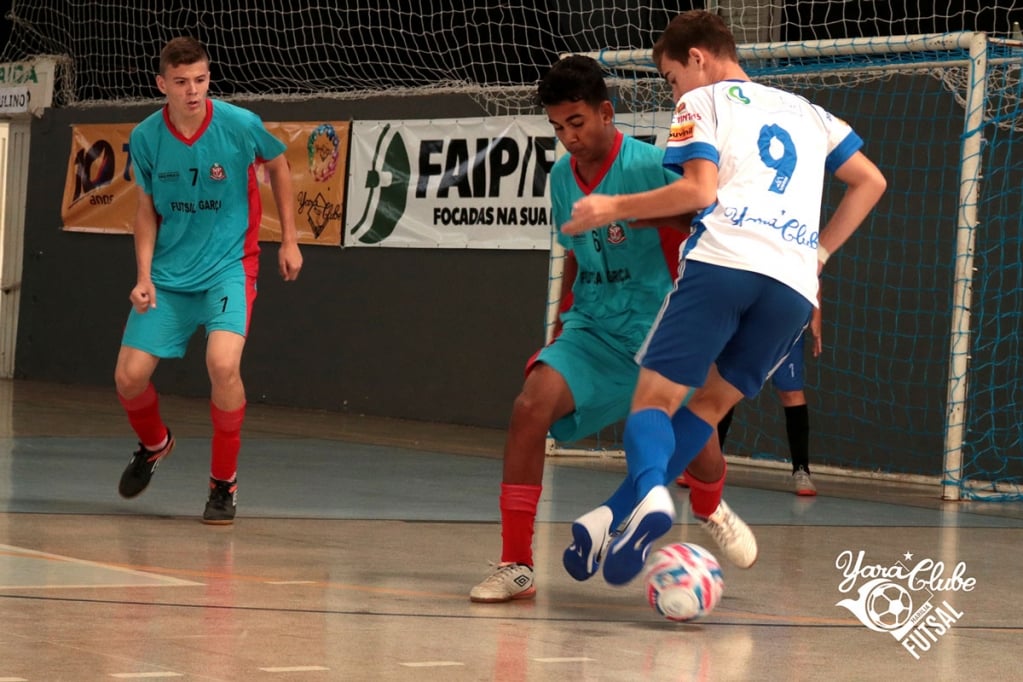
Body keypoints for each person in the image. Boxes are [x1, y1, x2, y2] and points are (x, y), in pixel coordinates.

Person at [562, 10, 886, 585]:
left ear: (697, 58)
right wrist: (820, 255)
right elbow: (871, 181)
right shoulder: (810, 113)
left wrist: (611, 207)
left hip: (723, 267)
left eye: (669, 77)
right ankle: (611, 516)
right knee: (705, 408)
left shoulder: (702, 103)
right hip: (789, 289)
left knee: (651, 404)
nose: (673, 90)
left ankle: (648, 498)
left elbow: (697, 190)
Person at [469, 54, 729, 603]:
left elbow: (703, 228)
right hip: (591, 329)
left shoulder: (654, 167)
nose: (567, 137)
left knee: (701, 454)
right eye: (558, 127)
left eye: (577, 123)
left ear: (607, 113)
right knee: (528, 407)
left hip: (658, 328)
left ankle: (709, 506)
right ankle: (517, 564)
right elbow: (575, 255)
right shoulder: (561, 178)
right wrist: (561, 328)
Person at [113, 37, 303, 524]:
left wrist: (289, 239)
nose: (192, 90)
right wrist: (142, 276)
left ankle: (223, 484)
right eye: (181, 82)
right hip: (169, 276)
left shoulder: (241, 125)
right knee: (128, 378)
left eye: (200, 79)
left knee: (222, 365)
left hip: (228, 268)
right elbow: (145, 209)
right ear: (162, 85)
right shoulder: (146, 137)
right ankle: (155, 445)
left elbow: (279, 166)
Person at [693, 300, 823, 496]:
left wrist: (816, 316)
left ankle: (801, 470)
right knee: (725, 384)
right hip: (751, 309)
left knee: (791, 392)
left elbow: (817, 275)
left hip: (786, 315)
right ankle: (705, 465)